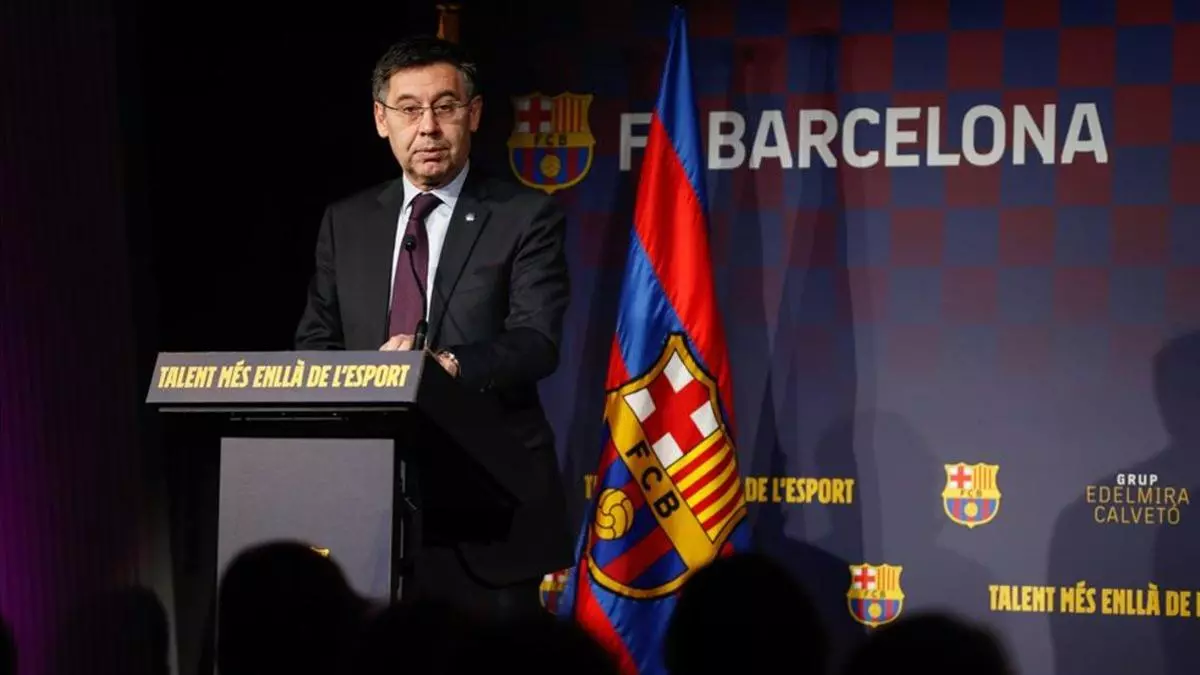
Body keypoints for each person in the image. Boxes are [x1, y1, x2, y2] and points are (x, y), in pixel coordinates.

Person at [293, 34, 573, 618]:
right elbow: (316, 343)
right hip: (369, 500)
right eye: (409, 109)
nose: (428, 127)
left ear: (474, 113)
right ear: (381, 119)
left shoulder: (525, 216)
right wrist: (367, 383)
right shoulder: (347, 222)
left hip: (488, 508)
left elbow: (536, 342)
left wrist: (443, 366)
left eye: (445, 107)